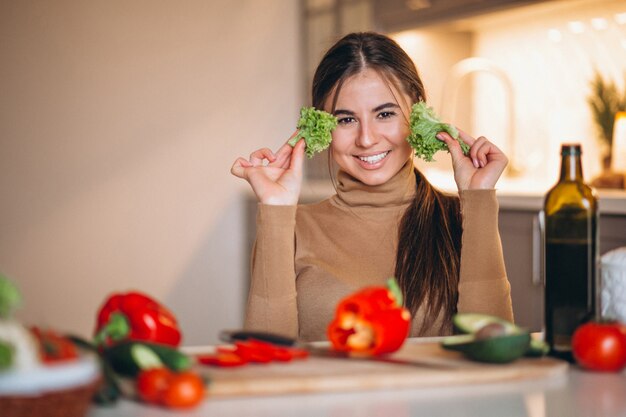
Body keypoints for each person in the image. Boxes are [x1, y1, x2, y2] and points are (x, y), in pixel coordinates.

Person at [231, 32, 513, 342]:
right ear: (322, 127)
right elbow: (266, 360)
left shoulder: (459, 218)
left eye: (385, 114)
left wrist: (479, 200)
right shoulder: (293, 227)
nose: (366, 138)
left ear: (418, 114)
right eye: (346, 119)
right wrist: (275, 210)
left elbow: (493, 349)